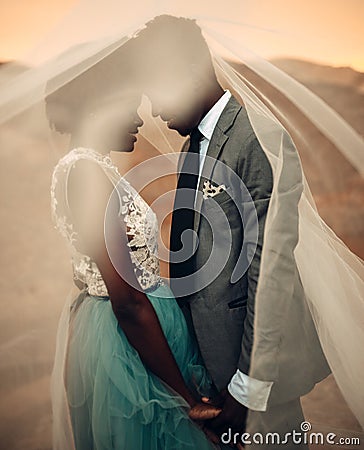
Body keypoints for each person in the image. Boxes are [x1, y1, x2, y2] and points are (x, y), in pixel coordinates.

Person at [134, 15, 331, 448]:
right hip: (210, 375)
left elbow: (269, 274)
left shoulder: (257, 140)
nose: (154, 112)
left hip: (256, 382)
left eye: (157, 90)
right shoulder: (193, 147)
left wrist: (247, 387)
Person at [47, 38, 221, 450]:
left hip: (136, 332)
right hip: (129, 347)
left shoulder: (92, 168)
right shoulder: (87, 172)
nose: (141, 119)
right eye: (131, 105)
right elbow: (126, 301)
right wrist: (186, 398)